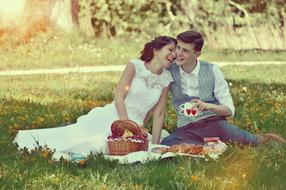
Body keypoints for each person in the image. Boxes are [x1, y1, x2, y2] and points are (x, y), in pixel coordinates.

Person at [14, 36, 177, 158]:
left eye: (175, 52)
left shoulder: (166, 78)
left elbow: (159, 113)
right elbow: (119, 97)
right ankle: (33, 141)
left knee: (126, 149)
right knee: (91, 143)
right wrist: (126, 127)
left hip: (136, 130)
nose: (174, 54)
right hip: (114, 118)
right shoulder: (134, 66)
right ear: (156, 50)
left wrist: (155, 145)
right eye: (170, 50)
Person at [159, 30, 285, 146]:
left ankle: (259, 138)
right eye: (178, 48)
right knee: (168, 143)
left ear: (197, 54)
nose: (178, 54)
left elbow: (229, 110)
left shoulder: (212, 70)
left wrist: (208, 106)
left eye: (185, 50)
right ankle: (208, 144)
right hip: (187, 128)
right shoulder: (170, 70)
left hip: (214, 123)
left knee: (249, 142)